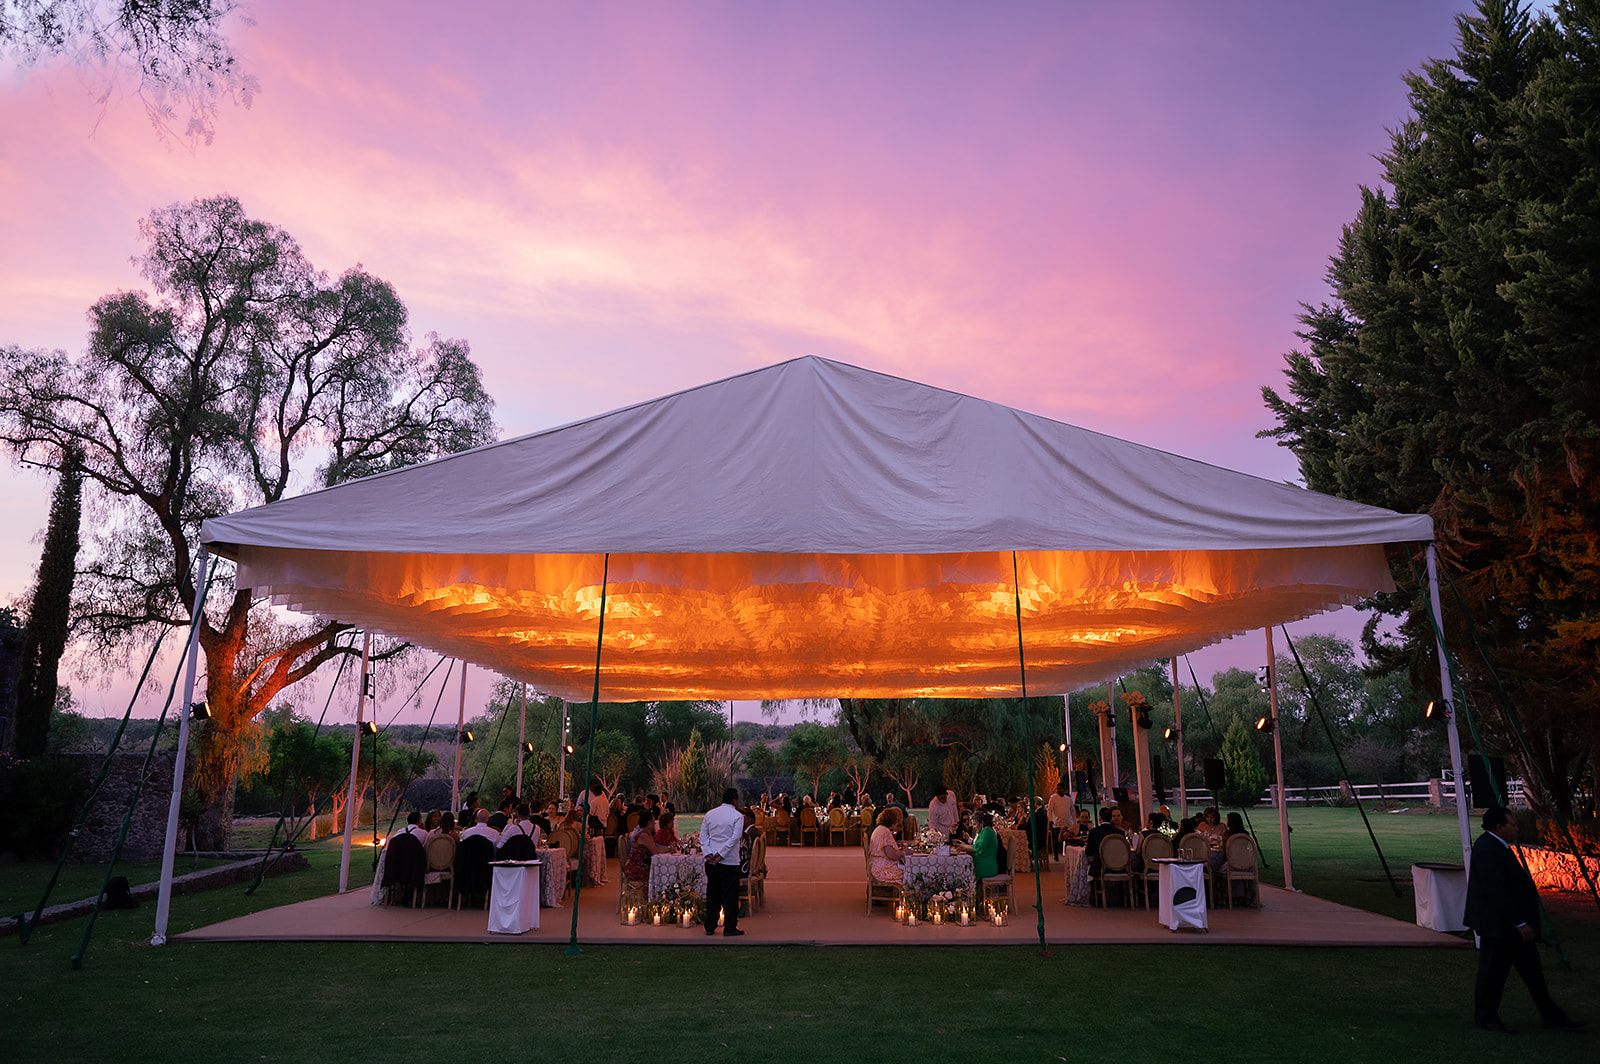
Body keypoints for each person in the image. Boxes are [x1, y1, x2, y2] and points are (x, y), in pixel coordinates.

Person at [1463, 806, 1584, 1033]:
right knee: (1492, 974)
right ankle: (1486, 1017)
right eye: (1512, 825)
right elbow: (1496, 890)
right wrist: (1519, 922)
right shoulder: (1488, 849)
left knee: (1533, 974)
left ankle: (1551, 1015)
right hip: (1500, 927)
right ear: (1499, 827)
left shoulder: (1495, 846)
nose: (1517, 828)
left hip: (1511, 927)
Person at [701, 787, 746, 936]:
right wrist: (722, 854)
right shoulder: (738, 816)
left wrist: (708, 853)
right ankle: (729, 927)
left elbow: (704, 835)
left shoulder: (710, 814)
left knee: (713, 893)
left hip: (712, 861)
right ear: (734, 800)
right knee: (730, 896)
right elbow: (735, 838)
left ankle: (710, 925)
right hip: (730, 861)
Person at [622, 809, 669, 888]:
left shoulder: (647, 833)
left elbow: (654, 849)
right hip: (637, 869)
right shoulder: (643, 835)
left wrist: (668, 849)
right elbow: (655, 851)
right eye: (653, 820)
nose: (655, 822)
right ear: (648, 823)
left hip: (643, 865)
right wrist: (668, 849)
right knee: (661, 872)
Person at [869, 807, 907, 886]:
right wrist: (903, 853)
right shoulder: (885, 832)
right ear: (893, 821)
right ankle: (908, 896)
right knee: (911, 874)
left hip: (877, 866)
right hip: (883, 869)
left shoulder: (879, 829)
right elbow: (891, 855)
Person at [969, 812, 1001, 880]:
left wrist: (965, 846)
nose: (973, 827)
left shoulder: (987, 831)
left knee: (965, 872)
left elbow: (978, 848)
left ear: (982, 822)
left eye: (975, 824)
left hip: (986, 866)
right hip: (983, 863)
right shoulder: (983, 831)